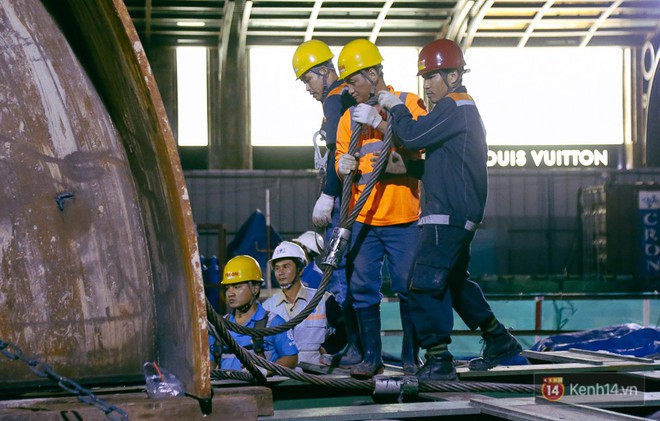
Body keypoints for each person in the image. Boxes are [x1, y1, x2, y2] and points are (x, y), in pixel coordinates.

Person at [376, 38, 522, 381]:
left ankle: (439, 359)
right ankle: (498, 339)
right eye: (424, 78)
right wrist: (405, 169)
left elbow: (412, 137)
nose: (426, 85)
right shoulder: (454, 112)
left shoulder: (456, 108)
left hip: (446, 217)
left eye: (433, 76)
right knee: (455, 284)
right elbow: (439, 165)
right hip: (454, 215)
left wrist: (396, 108)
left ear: (454, 76)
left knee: (424, 283)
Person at [334, 38, 427, 379]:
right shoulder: (348, 118)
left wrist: (383, 122)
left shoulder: (409, 103)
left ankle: (408, 357)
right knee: (361, 287)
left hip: (403, 217)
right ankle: (371, 356)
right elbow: (341, 158)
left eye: (354, 81)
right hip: (363, 218)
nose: (350, 89)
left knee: (408, 287)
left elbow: (419, 151)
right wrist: (341, 165)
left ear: (373, 75)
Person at [293, 40, 362, 370]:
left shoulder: (336, 98)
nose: (308, 88)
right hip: (351, 197)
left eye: (308, 80)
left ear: (324, 71)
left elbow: (338, 149)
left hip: (344, 201)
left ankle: (356, 348)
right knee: (348, 274)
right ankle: (357, 346)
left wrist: (328, 194)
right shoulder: (343, 97)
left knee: (341, 276)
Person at [262, 241, 345, 365]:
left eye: (286, 266)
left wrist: (327, 349)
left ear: (300, 270)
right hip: (281, 376)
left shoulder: (323, 300)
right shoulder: (267, 307)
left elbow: (345, 330)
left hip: (317, 374)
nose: (280, 272)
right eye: (277, 268)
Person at [210, 255, 298, 372]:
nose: (230, 293)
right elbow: (210, 361)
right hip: (226, 389)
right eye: (227, 287)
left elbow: (291, 358)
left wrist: (266, 370)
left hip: (261, 389)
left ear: (255, 289)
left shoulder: (273, 323)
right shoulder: (220, 326)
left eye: (237, 287)